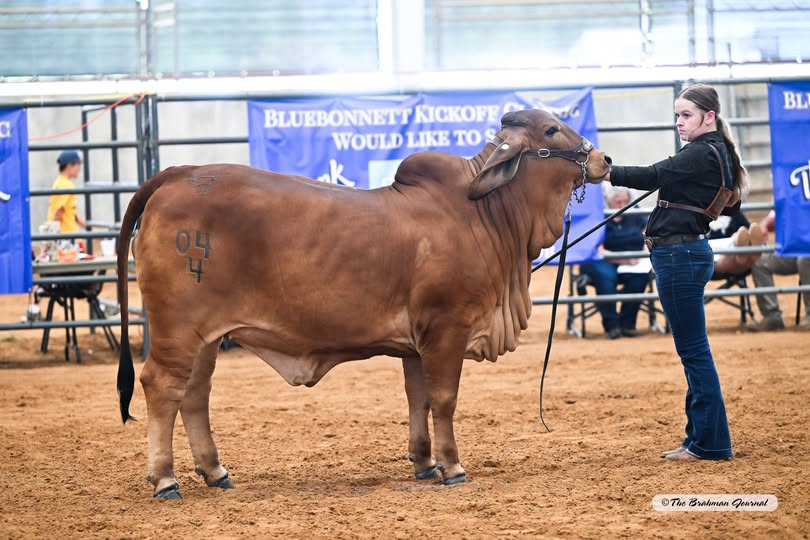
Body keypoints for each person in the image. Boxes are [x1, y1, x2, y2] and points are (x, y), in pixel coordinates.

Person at [605, 83, 745, 461]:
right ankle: (699, 437)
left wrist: (603, 171)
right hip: (683, 253)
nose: (680, 123)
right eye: (677, 116)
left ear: (709, 116)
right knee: (693, 351)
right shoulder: (715, 152)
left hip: (679, 255)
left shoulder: (703, 152)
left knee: (694, 352)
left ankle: (711, 443)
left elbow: (651, 175)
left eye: (686, 115)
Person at [578, 186, 650, 339]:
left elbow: (648, 232)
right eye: (618, 202)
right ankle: (612, 326)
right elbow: (597, 249)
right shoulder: (598, 213)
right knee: (605, 278)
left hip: (632, 259)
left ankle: (628, 325)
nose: (622, 205)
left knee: (638, 278)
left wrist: (642, 253)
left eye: (625, 201)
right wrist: (624, 259)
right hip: (602, 259)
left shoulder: (634, 210)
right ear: (608, 200)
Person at [747, 210, 810, 331]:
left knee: (804, 260)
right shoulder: (790, 192)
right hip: (793, 249)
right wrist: (765, 224)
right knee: (759, 260)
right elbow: (776, 214)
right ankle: (772, 317)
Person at [708, 207, 766, 276]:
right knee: (736, 240)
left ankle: (748, 250)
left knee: (742, 235)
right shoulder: (701, 218)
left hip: (737, 254)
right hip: (715, 258)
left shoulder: (734, 213)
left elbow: (748, 230)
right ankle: (751, 251)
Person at [47, 150, 86, 234]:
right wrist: (51, 237)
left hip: (67, 237)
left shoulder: (59, 182)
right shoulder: (66, 186)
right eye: (78, 163)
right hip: (67, 239)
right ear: (69, 166)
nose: (79, 168)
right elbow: (59, 212)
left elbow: (72, 215)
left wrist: (90, 229)